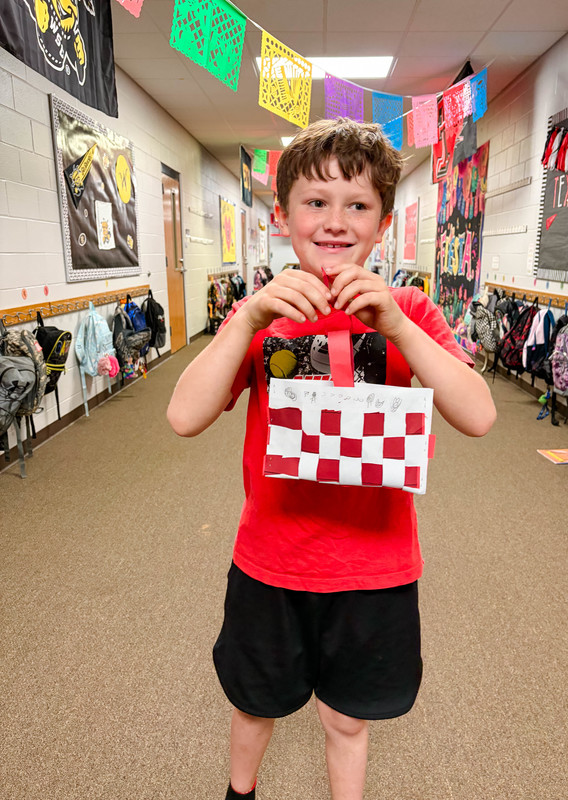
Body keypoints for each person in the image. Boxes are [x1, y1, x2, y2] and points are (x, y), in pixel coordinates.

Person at [167, 117, 496, 800]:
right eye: (315, 202)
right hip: (271, 560)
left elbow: (481, 415)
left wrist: (400, 325)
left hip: (374, 568)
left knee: (349, 718)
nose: (336, 221)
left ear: (381, 221)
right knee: (255, 703)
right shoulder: (263, 314)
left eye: (358, 205)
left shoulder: (407, 308)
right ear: (283, 215)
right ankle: (241, 792)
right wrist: (250, 318)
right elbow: (184, 416)